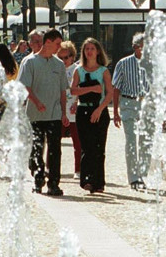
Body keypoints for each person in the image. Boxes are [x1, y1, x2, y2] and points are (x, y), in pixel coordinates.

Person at [17, 28, 69, 196]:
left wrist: (64, 112)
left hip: (54, 113)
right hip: (34, 114)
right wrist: (37, 102)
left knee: (55, 149)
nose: (59, 47)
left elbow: (63, 90)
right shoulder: (29, 62)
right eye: (57, 44)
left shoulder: (59, 64)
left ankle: (54, 183)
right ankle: (38, 179)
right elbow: (25, 86)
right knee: (36, 149)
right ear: (48, 42)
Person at [72, 37, 113, 193]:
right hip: (83, 111)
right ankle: (87, 180)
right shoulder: (78, 70)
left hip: (99, 111)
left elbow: (109, 93)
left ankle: (99, 182)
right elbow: (73, 90)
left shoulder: (104, 71)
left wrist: (99, 109)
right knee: (86, 147)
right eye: (86, 49)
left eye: (92, 49)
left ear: (97, 52)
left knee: (98, 148)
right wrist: (90, 89)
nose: (89, 52)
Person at [112, 33, 149, 190]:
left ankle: (142, 174)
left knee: (146, 142)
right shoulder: (123, 63)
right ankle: (134, 178)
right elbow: (116, 88)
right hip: (128, 103)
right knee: (131, 141)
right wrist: (115, 112)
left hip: (146, 104)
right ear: (136, 47)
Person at [58, 40, 82, 179]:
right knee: (55, 142)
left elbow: (78, 88)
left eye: (66, 57)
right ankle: (52, 168)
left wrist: (76, 102)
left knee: (77, 142)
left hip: (73, 108)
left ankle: (78, 169)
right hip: (59, 109)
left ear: (72, 56)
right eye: (60, 58)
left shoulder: (77, 69)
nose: (63, 60)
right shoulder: (56, 69)